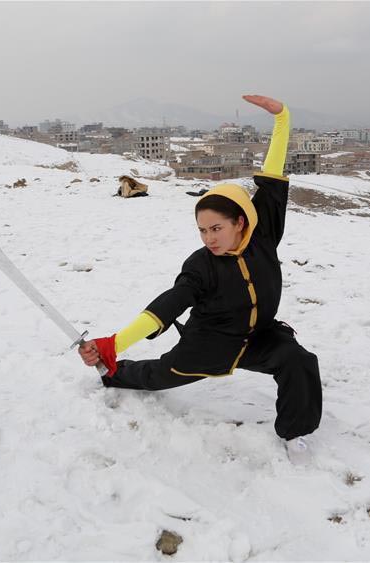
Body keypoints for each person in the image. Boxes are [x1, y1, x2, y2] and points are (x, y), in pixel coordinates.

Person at [79, 95, 322, 460]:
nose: (209, 238)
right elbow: (167, 305)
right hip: (209, 345)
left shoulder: (263, 235)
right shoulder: (201, 266)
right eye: (202, 230)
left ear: (241, 222)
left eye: (216, 228)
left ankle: (293, 434)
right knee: (160, 375)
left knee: (298, 361)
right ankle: (113, 374)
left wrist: (282, 118)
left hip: (258, 336)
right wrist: (114, 345)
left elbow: (272, 178)